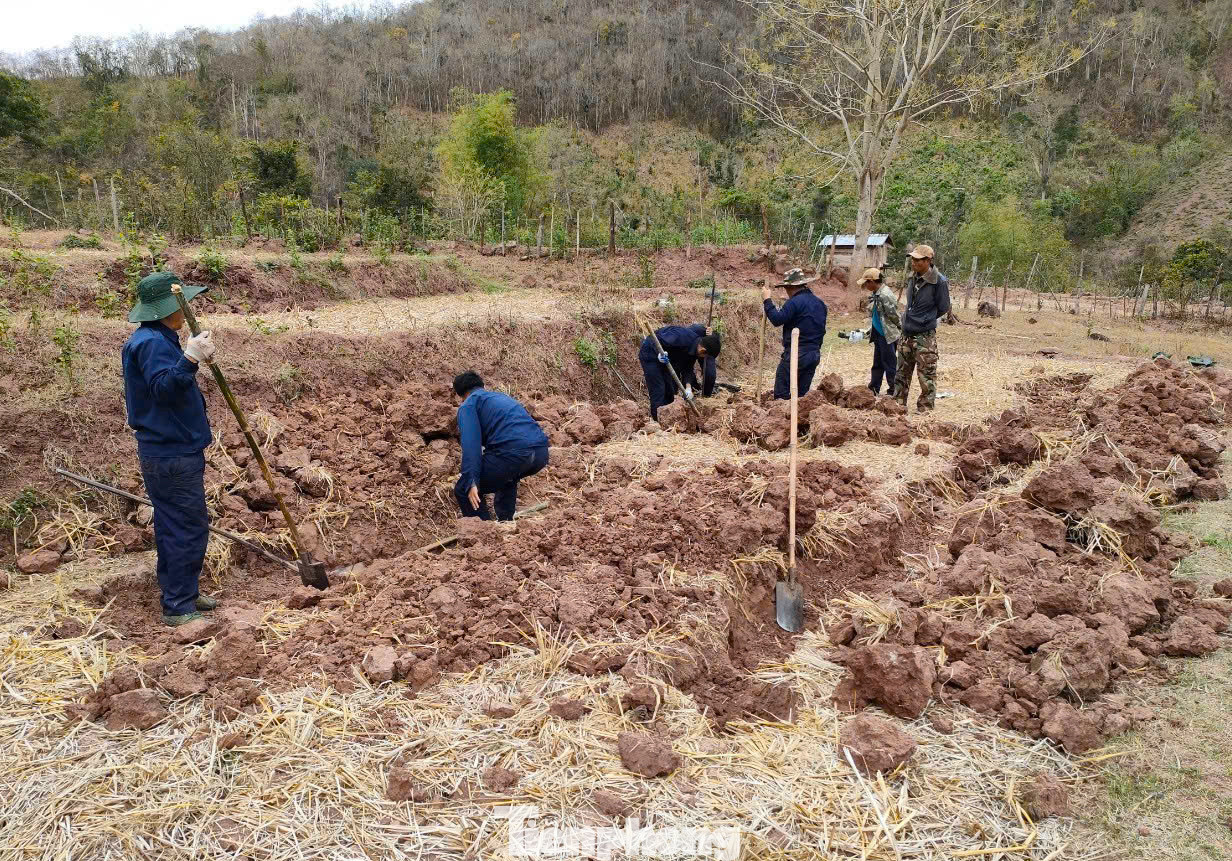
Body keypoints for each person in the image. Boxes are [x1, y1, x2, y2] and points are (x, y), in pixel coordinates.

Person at [121, 271, 219, 627]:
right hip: (169, 453)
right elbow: (164, 389)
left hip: (175, 449)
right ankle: (178, 606)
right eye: (182, 304)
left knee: (177, 524)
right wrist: (190, 359)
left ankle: (184, 592)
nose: (187, 309)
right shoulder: (149, 343)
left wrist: (189, 357)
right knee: (185, 527)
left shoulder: (159, 338)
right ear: (167, 308)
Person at [453, 371, 550, 521]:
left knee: (463, 488)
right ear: (482, 386)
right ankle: (505, 522)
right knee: (507, 478)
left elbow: (471, 445)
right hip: (540, 453)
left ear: (460, 395)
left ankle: (483, 533)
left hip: (514, 453)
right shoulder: (501, 397)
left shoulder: (468, 405)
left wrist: (471, 480)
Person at [894, 244, 951, 413]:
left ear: (928, 261)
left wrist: (926, 319)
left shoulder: (939, 281)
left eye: (918, 260)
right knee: (901, 373)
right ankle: (898, 405)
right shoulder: (913, 277)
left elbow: (943, 307)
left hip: (924, 336)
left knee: (926, 375)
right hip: (906, 333)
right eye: (912, 259)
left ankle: (925, 409)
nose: (914, 262)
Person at [762, 267, 828, 399]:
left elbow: (777, 319)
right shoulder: (820, 304)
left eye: (786, 289)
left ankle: (781, 418)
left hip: (797, 353)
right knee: (802, 397)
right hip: (814, 354)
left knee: (781, 395)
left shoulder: (794, 303)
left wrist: (767, 300)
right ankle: (797, 418)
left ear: (791, 287)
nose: (786, 292)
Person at [637, 324, 720, 420]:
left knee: (670, 390)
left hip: (666, 359)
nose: (703, 358)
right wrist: (659, 353)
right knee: (659, 389)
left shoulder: (693, 350)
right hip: (650, 352)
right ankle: (657, 421)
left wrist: (688, 389)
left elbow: (687, 368)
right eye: (705, 357)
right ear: (703, 351)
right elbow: (656, 339)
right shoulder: (682, 337)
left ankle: (667, 418)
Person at [856, 267, 901, 396]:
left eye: (866, 283)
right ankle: (874, 387)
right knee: (878, 362)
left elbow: (894, 315)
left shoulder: (885, 295)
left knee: (890, 363)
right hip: (879, 332)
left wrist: (900, 329)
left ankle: (894, 389)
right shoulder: (877, 293)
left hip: (887, 334)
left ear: (873, 281)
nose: (865, 286)